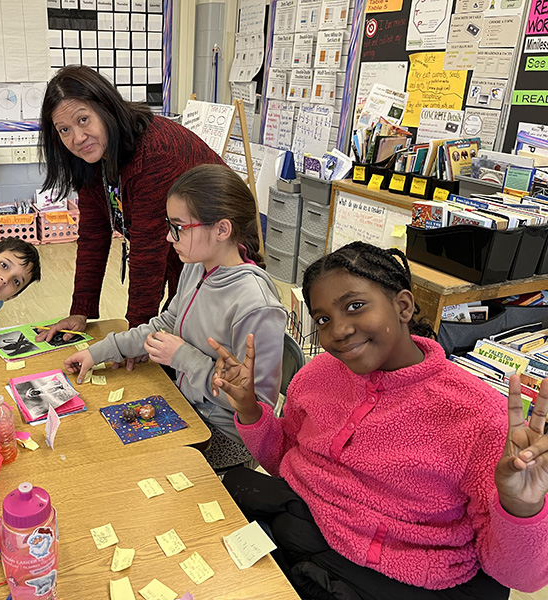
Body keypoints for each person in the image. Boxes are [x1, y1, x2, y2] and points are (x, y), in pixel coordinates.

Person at [207, 241, 548, 599]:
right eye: (324, 319)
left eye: (355, 306)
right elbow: (284, 461)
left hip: (398, 577)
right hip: (302, 528)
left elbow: (520, 577)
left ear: (402, 305)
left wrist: (522, 507)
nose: (338, 330)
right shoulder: (317, 375)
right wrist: (248, 409)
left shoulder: (478, 415)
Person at [64, 165, 287, 469]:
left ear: (222, 230)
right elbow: (166, 325)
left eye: (179, 227)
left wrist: (182, 357)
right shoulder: (198, 265)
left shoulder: (256, 305)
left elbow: (256, 406)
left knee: (121, 467)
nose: (169, 238)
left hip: (226, 436)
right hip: (186, 405)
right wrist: (100, 351)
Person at [35, 65, 225, 368]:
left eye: (84, 120)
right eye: (64, 129)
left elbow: (148, 252)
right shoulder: (92, 158)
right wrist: (80, 309)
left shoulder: (154, 152)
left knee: (192, 351)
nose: (77, 137)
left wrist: (136, 334)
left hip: (220, 255)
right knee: (168, 344)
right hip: (184, 248)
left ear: (105, 107)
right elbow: (94, 236)